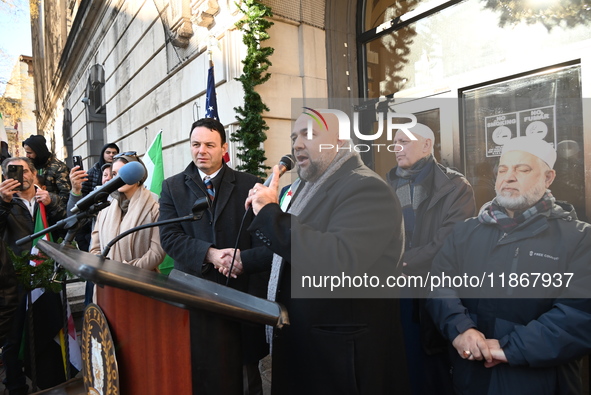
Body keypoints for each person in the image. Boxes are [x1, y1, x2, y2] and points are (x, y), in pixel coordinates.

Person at [241, 113, 409, 394]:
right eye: (294, 137)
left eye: (310, 134)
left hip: (341, 358)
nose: (297, 144)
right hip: (307, 345)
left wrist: (270, 213)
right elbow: (292, 251)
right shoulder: (306, 188)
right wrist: (241, 260)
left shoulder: (366, 188)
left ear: (340, 139)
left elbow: (336, 259)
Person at [426, 136, 591, 394]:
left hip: (541, 384)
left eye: (522, 169)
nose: (509, 177)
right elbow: (440, 284)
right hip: (470, 378)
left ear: (548, 178)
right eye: (503, 169)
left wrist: (508, 348)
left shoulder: (579, 238)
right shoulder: (466, 232)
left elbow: (579, 315)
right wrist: (461, 329)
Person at [158, 117, 270, 395]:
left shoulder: (250, 184)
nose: (201, 151)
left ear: (223, 148)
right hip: (195, 297)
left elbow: (265, 240)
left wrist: (240, 260)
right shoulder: (173, 187)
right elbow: (169, 237)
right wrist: (210, 255)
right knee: (199, 376)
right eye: (196, 144)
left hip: (240, 298)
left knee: (246, 381)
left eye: (209, 144)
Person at [386, 123, 476, 394]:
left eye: (404, 141)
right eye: (395, 142)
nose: (396, 148)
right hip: (393, 289)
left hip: (432, 292)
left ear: (427, 144)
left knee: (429, 369)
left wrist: (402, 262)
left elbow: (451, 239)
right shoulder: (387, 182)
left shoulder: (455, 186)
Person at [0, 157, 68, 394]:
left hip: (45, 276)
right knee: (13, 337)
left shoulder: (47, 198)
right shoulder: (4, 201)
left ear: (34, 173)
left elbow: (66, 228)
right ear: (5, 175)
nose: (22, 175)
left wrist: (53, 203)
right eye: (14, 171)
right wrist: (3, 203)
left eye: (26, 170)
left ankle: (51, 380)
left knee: (47, 328)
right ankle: (16, 385)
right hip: (14, 279)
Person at [89, 152, 165, 270]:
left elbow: (157, 253)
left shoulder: (155, 207)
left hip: (139, 282)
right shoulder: (105, 208)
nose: (119, 177)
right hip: (106, 282)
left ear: (138, 175)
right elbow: (95, 248)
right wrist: (105, 270)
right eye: (114, 174)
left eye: (124, 172)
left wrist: (125, 272)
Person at [22, 135, 71, 209]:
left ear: (38, 152)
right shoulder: (31, 166)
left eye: (29, 153)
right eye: (26, 152)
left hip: (53, 211)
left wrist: (51, 203)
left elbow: (65, 194)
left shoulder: (59, 167)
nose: (27, 155)